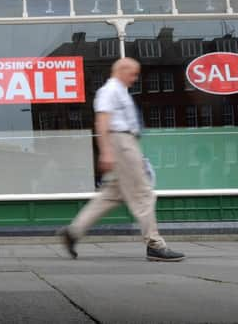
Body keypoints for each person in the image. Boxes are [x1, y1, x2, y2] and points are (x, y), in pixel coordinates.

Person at [60, 58, 185, 262]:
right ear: (122, 70)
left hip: (125, 142)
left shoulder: (118, 91)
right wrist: (106, 152)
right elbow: (102, 121)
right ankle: (155, 244)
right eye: (133, 74)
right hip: (121, 142)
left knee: (110, 195)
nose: (135, 79)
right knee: (144, 193)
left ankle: (73, 232)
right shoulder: (109, 91)